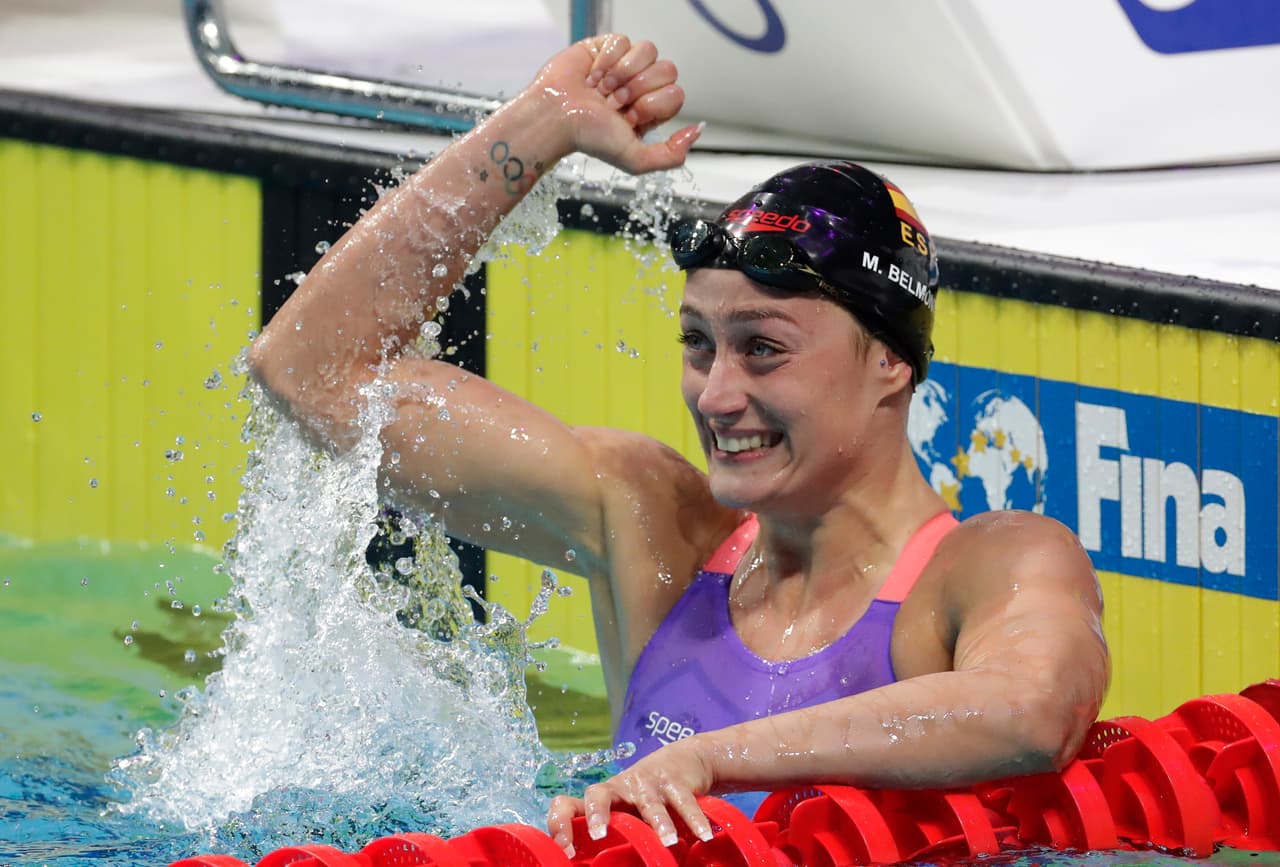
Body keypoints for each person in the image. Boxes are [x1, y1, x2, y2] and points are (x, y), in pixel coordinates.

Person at [248, 33, 1109, 856]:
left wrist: (712, 756)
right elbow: (309, 370)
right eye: (699, 343)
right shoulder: (656, 528)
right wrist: (542, 122)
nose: (718, 393)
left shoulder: (988, 566)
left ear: (888, 360)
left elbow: (1032, 710)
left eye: (762, 348)